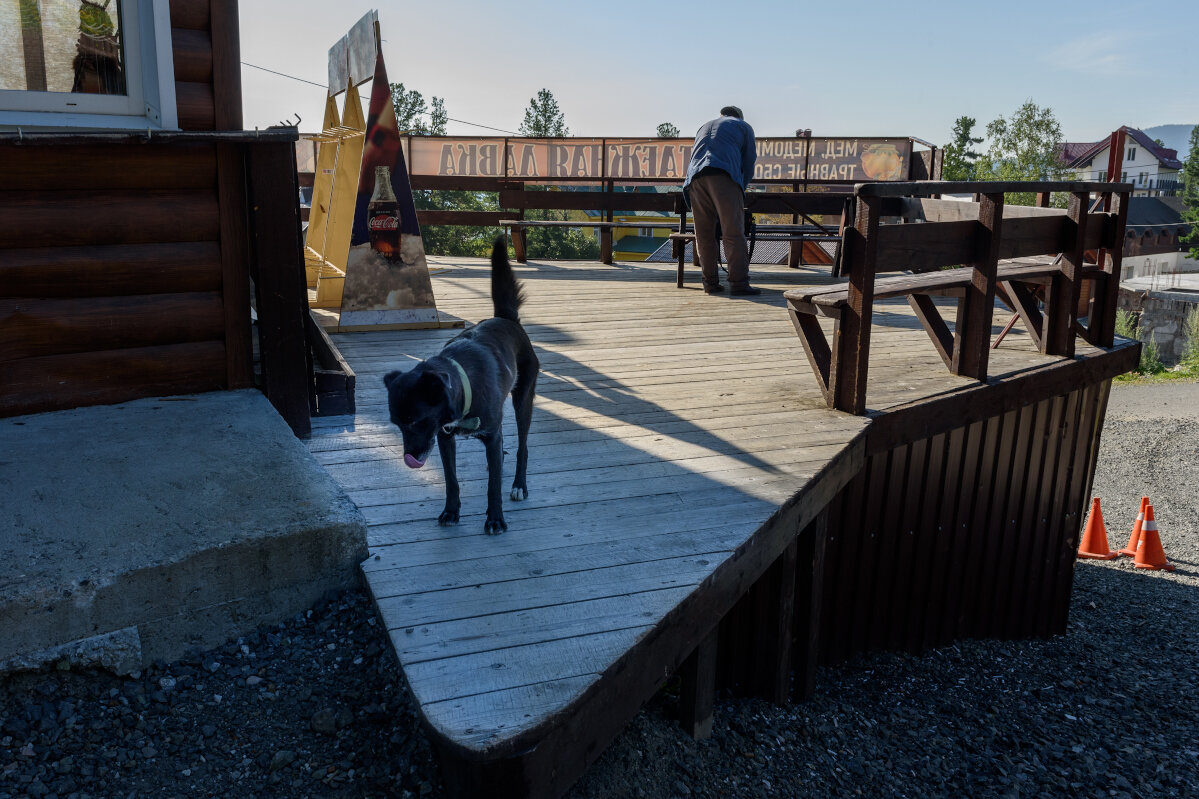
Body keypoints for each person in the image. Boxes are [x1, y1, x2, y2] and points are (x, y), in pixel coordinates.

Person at [683, 106, 759, 295]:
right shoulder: (743, 126)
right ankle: (739, 284)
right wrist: (741, 188)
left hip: (695, 179)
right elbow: (749, 162)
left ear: (722, 115)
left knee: (704, 235)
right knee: (733, 232)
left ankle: (710, 284)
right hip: (724, 174)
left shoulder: (704, 126)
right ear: (739, 117)